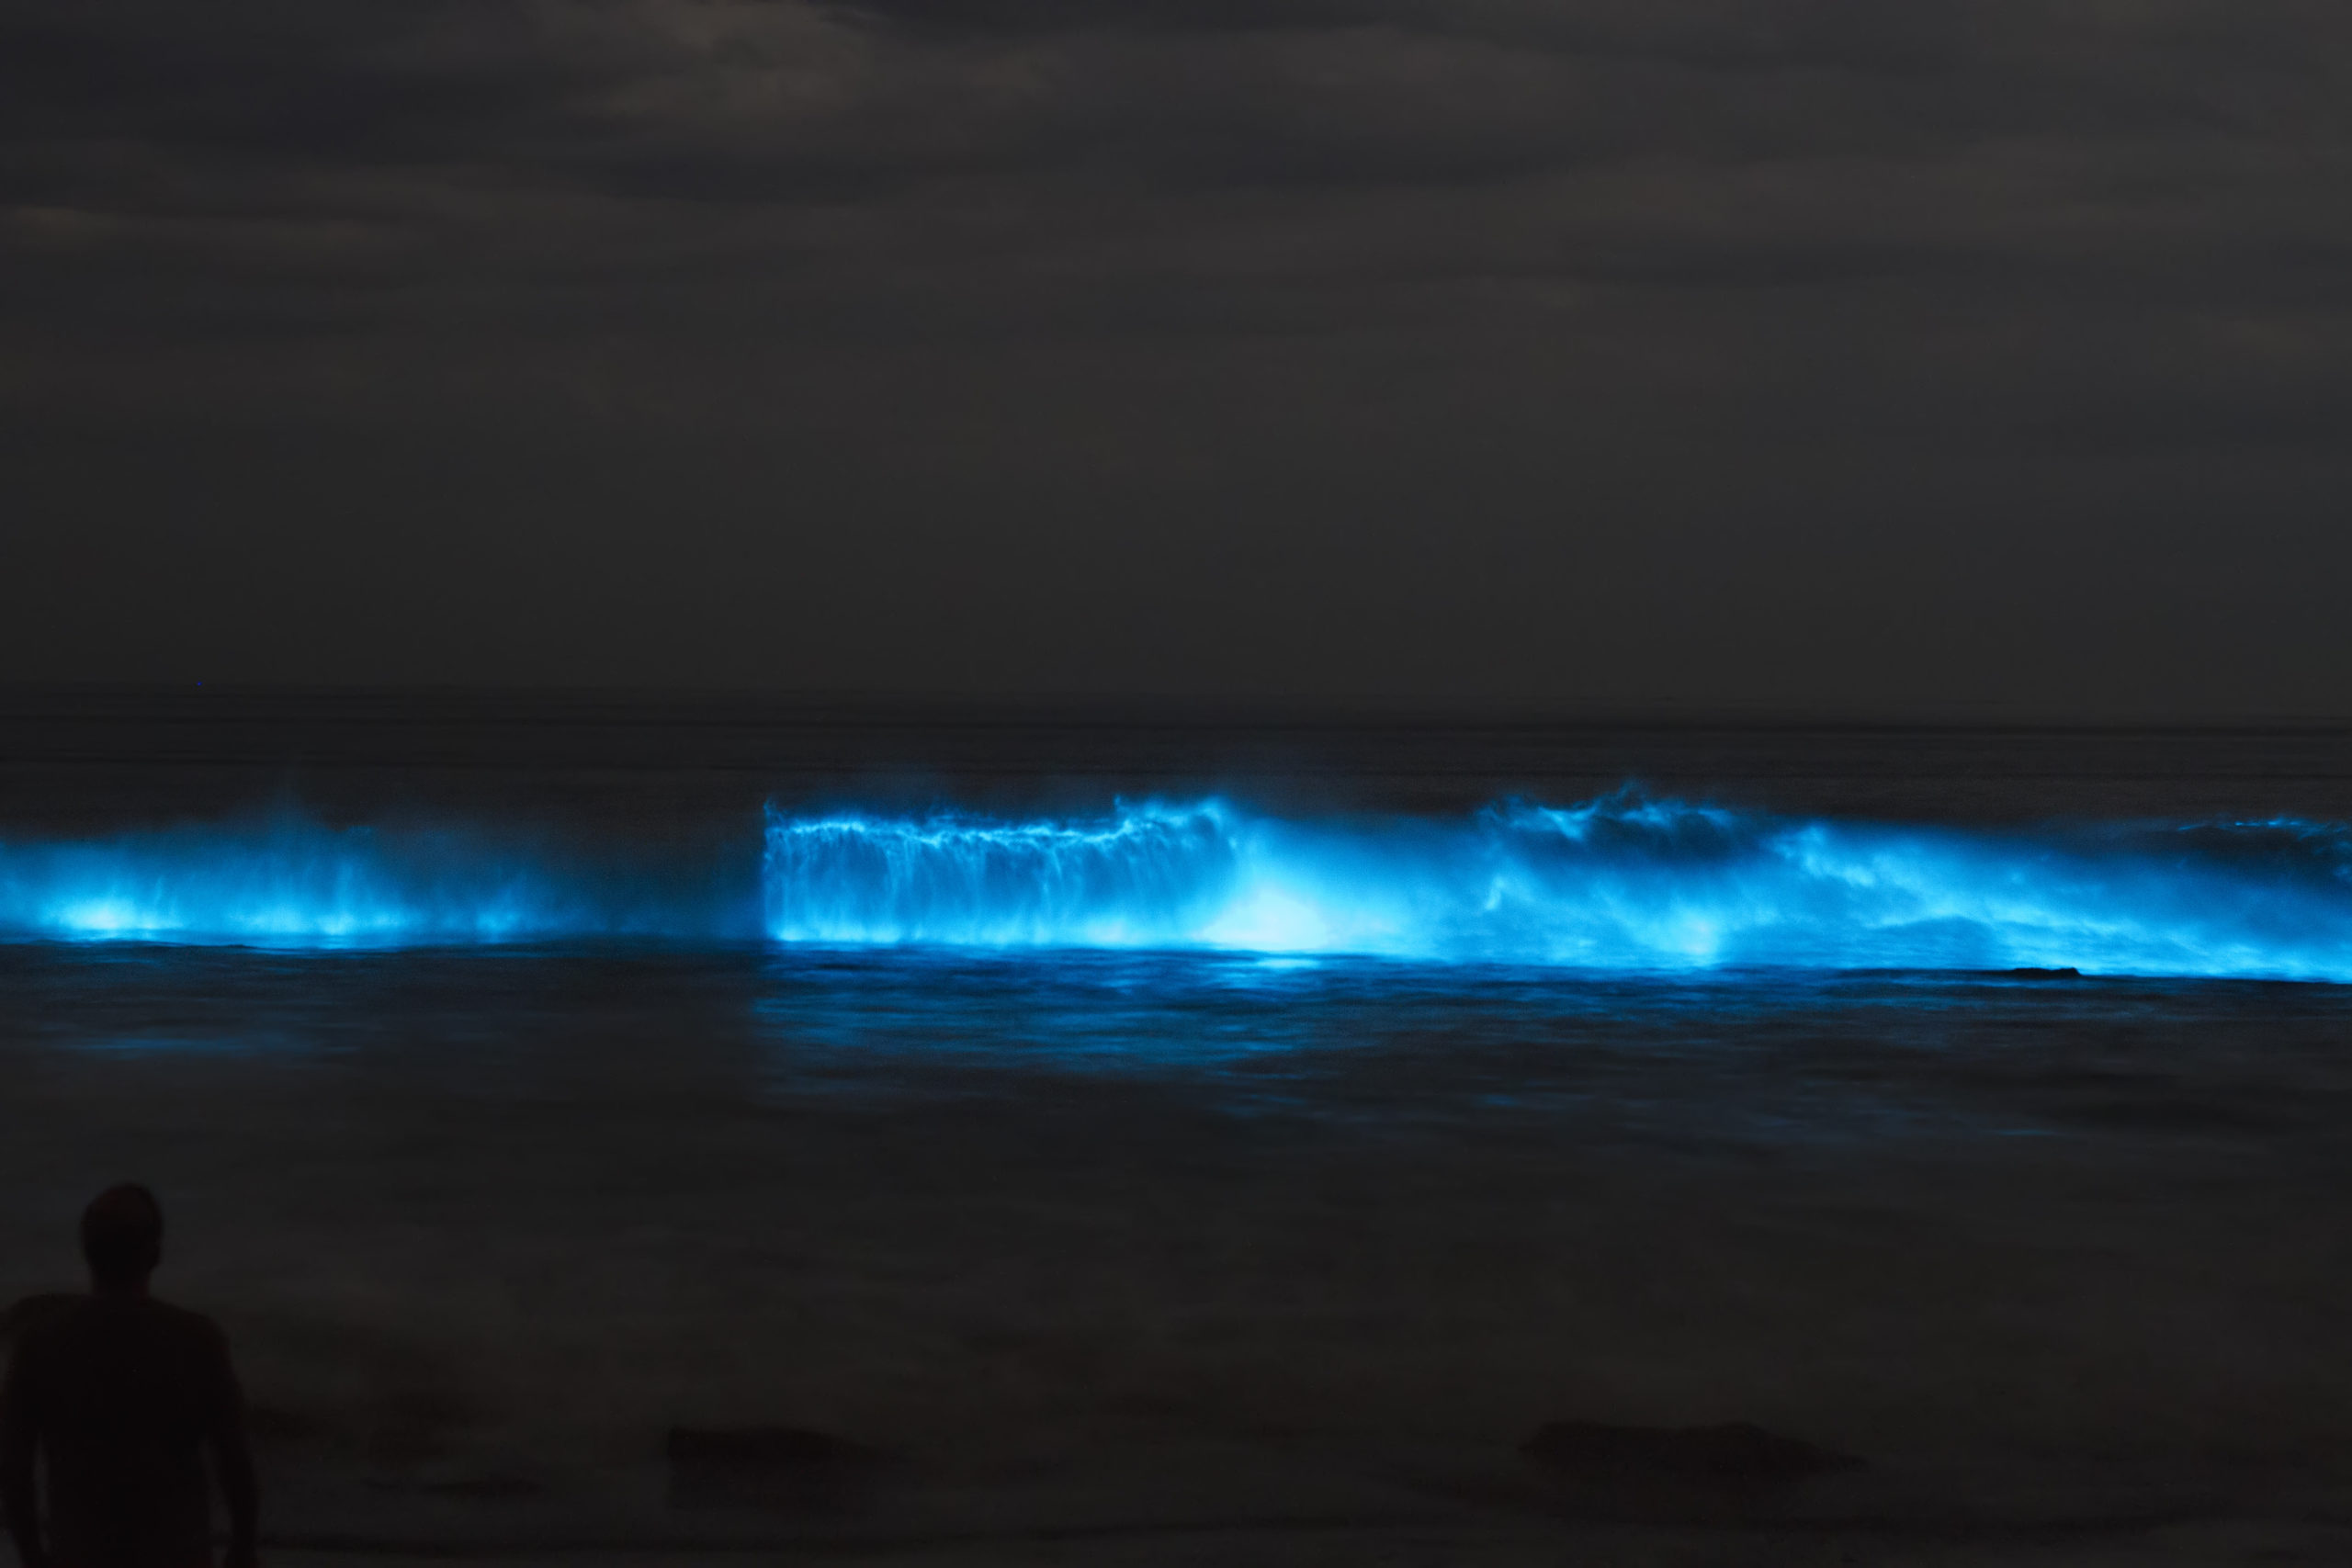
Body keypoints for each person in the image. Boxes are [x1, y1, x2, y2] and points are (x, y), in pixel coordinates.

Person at [1, 1188, 257, 1568]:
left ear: (86, 1251)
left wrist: (32, 1554)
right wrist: (241, 1549)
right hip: (177, 1554)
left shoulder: (40, 1343)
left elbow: (14, 1468)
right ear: (155, 1253)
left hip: (81, 1555)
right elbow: (234, 1460)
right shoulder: (196, 1340)